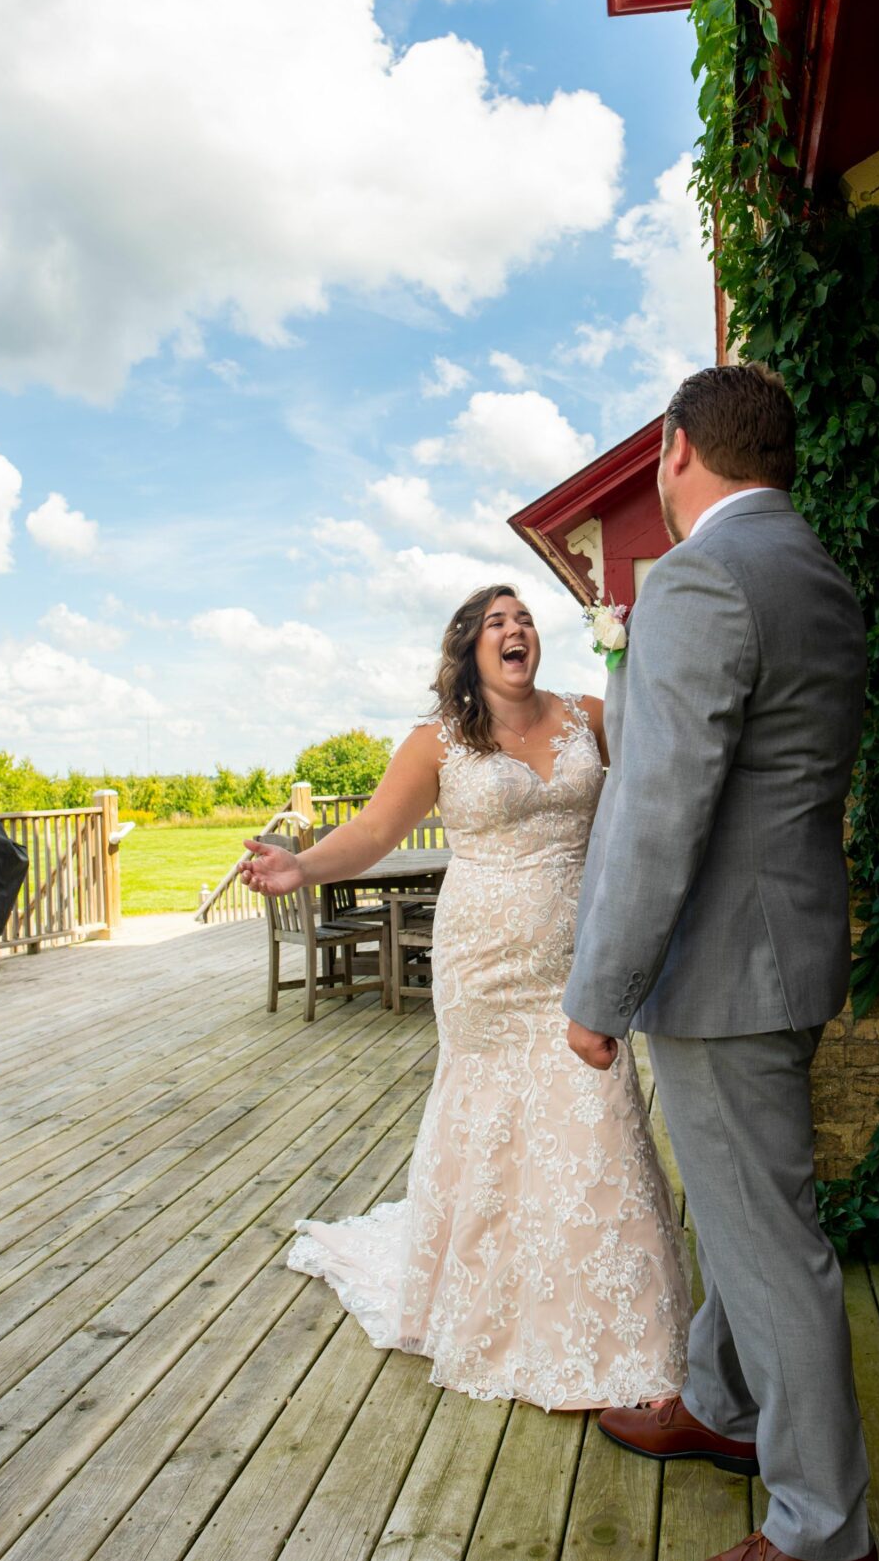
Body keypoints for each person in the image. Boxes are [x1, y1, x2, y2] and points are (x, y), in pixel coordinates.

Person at [563, 363, 879, 1561]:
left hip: (721, 972)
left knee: (768, 1242)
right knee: (749, 1213)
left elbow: (658, 806)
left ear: (676, 451)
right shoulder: (814, 569)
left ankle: (820, 1527)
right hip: (783, 949)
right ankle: (721, 1401)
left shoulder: (703, 574)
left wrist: (598, 987)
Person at [238, 585, 690, 1411]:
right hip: (482, 964)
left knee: (597, 1117)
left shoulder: (589, 714)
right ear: (470, 649)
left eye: (524, 619)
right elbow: (375, 832)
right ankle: (494, 1305)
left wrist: (633, 657)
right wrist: (298, 865)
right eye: (496, 623)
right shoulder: (438, 742)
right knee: (497, 1124)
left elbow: (664, 771)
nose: (516, 630)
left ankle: (619, 1325)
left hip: (578, 960)